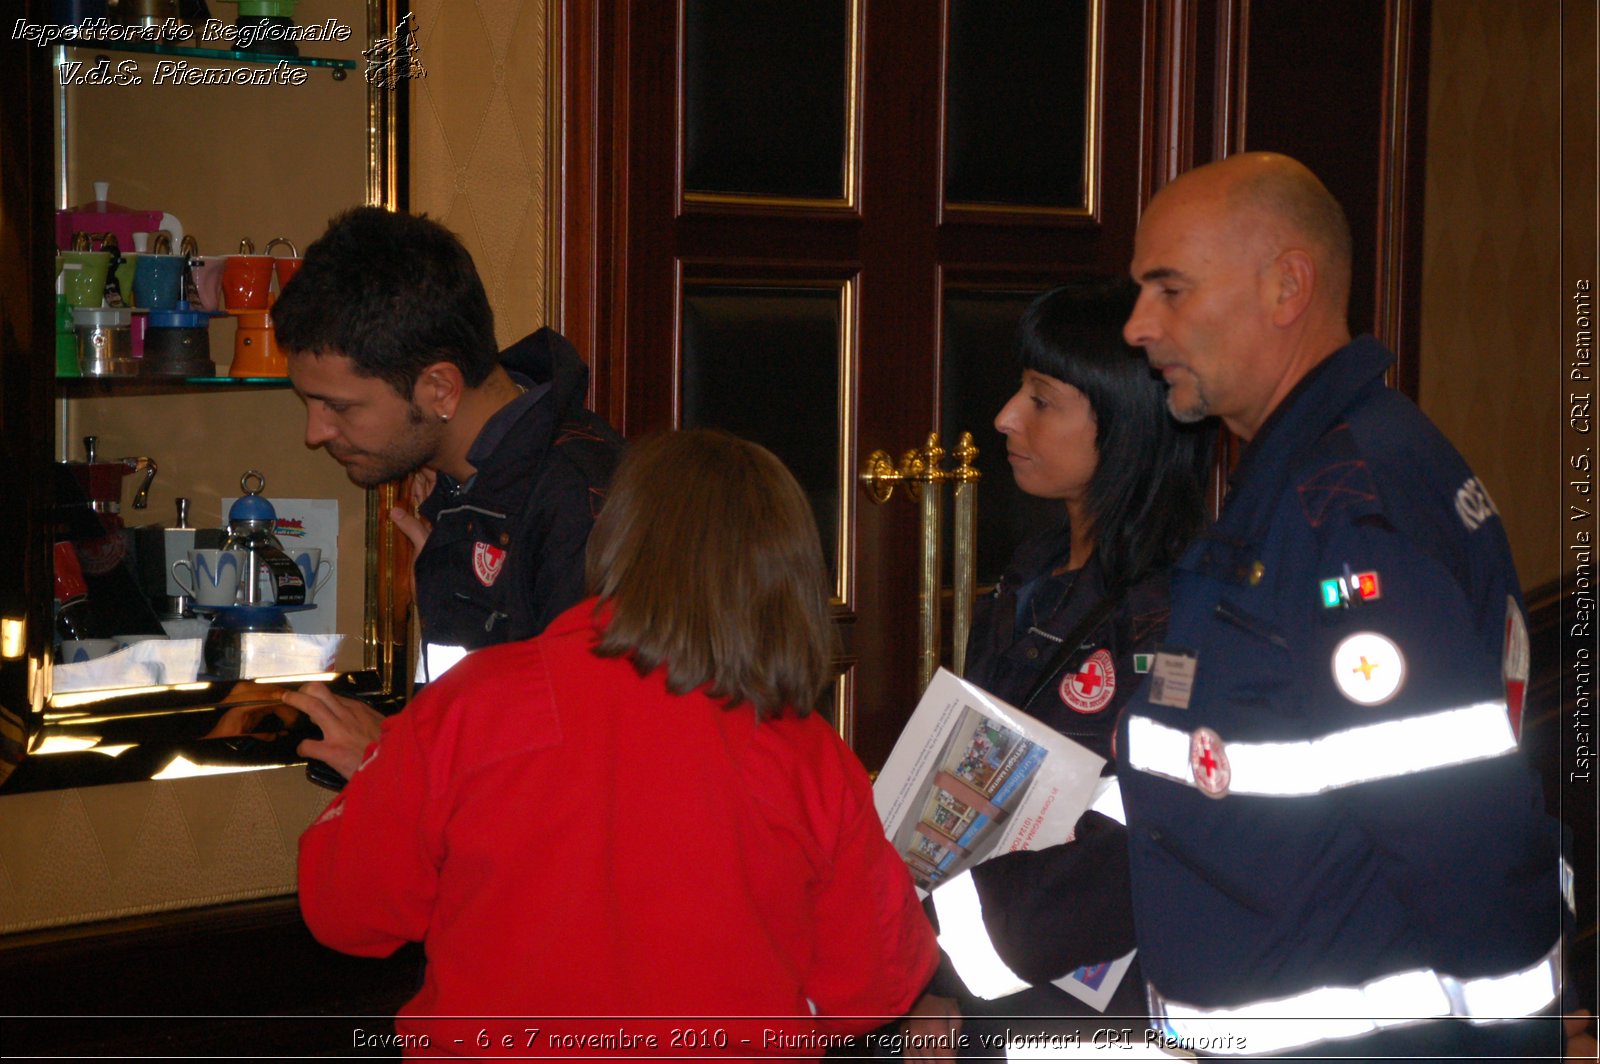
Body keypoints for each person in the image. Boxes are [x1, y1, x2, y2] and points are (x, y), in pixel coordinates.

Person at [1116, 151, 1566, 1059]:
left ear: (1288, 285)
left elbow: (1455, 830)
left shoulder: (1351, 509)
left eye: (1170, 290)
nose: (1137, 326)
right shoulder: (1295, 481)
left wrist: (1527, 1032)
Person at [296, 428, 939, 1055]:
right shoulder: (808, 752)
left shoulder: (472, 703)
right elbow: (872, 987)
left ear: (616, 542)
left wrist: (381, 768)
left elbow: (348, 912)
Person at [902, 280, 1211, 1056]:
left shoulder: (1182, 611)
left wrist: (920, 948)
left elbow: (1122, 870)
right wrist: (927, 985)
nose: (1007, 416)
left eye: (1044, 399)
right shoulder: (1034, 570)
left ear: (1128, 426)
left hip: (1095, 1023)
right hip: (982, 987)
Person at [271, 207, 623, 776]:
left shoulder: (581, 507)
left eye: (339, 406)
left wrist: (388, 763)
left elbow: (582, 781)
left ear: (440, 388)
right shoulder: (456, 481)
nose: (315, 433)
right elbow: (475, 712)